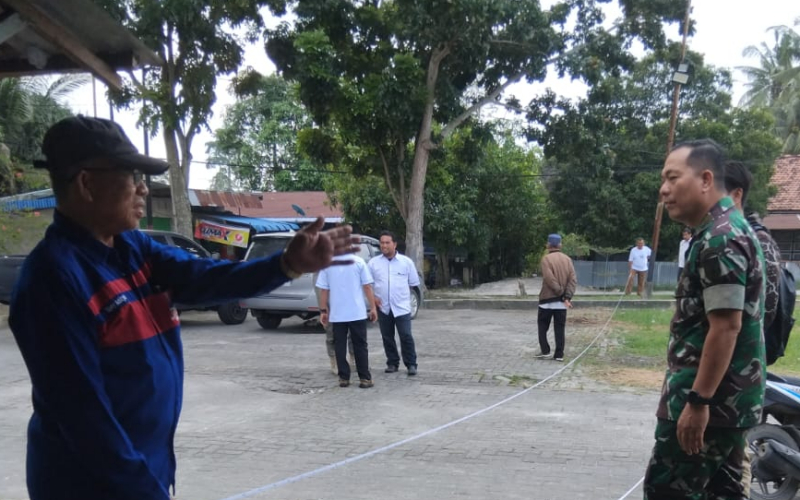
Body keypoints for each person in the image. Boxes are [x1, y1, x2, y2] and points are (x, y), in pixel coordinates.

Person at [8, 115, 359, 500]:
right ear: (86, 183)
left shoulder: (131, 249)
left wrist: (286, 265)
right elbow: (86, 423)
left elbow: (206, 277)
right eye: (131, 175)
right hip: (91, 485)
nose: (143, 188)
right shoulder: (54, 280)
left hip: (146, 470)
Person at [643, 139, 766, 500]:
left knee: (668, 492)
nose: (664, 190)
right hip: (727, 406)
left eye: (672, 178)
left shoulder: (720, 239)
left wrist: (698, 402)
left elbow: (726, 327)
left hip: (709, 408)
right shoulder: (729, 229)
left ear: (706, 179)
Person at [723, 159, 783, 497]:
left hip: (740, 369)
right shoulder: (751, 237)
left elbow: (763, 311)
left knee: (734, 463)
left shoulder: (751, 241)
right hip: (743, 366)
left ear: (735, 194)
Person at [316, 254, 378, 388]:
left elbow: (324, 290)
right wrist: (373, 307)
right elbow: (367, 287)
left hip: (337, 313)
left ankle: (343, 377)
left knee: (339, 344)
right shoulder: (359, 261)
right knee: (360, 345)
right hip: (357, 312)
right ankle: (364, 378)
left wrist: (323, 311)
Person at [368, 230, 420, 376]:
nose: (384, 245)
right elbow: (367, 284)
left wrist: (400, 296)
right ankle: (392, 362)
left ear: (394, 244)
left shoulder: (406, 263)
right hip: (383, 307)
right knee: (387, 336)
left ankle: (411, 364)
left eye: (387, 243)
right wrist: (373, 298)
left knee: (406, 335)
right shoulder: (373, 263)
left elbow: (412, 284)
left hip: (401, 307)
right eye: (382, 243)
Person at [533, 234, 577, 362]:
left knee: (542, 326)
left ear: (548, 245)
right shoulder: (568, 260)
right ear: (560, 245)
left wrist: (559, 292)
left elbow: (549, 278)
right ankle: (559, 354)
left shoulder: (546, 259)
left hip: (547, 300)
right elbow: (572, 280)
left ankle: (545, 350)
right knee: (559, 328)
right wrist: (566, 296)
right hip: (561, 302)